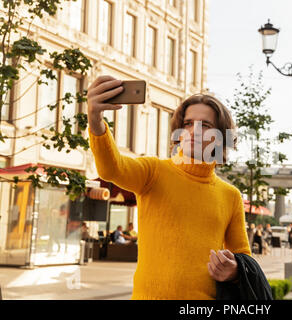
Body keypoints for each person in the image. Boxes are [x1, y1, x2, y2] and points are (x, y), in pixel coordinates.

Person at [87, 77, 251, 299]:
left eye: (206, 125)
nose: (194, 131)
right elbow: (111, 168)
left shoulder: (230, 195)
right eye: (188, 123)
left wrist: (233, 271)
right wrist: (95, 121)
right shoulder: (153, 171)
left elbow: (242, 258)